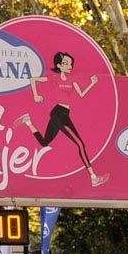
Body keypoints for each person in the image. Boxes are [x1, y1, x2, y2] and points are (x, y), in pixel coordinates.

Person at [15, 51, 109, 187]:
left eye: (70, 63)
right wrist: (36, 95)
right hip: (59, 114)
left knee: (45, 142)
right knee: (80, 144)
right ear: (59, 65)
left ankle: (28, 121)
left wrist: (92, 83)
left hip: (64, 114)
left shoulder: (72, 79)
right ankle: (93, 177)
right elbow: (33, 79)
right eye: (65, 63)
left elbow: (81, 94)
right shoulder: (55, 78)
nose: (69, 65)